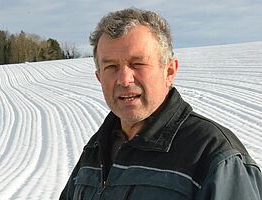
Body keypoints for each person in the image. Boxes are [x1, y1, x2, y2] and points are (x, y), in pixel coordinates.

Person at [60, 8, 262, 200]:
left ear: (170, 71)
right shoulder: (97, 149)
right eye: (111, 66)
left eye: (137, 64)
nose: (124, 79)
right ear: (99, 77)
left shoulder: (214, 156)